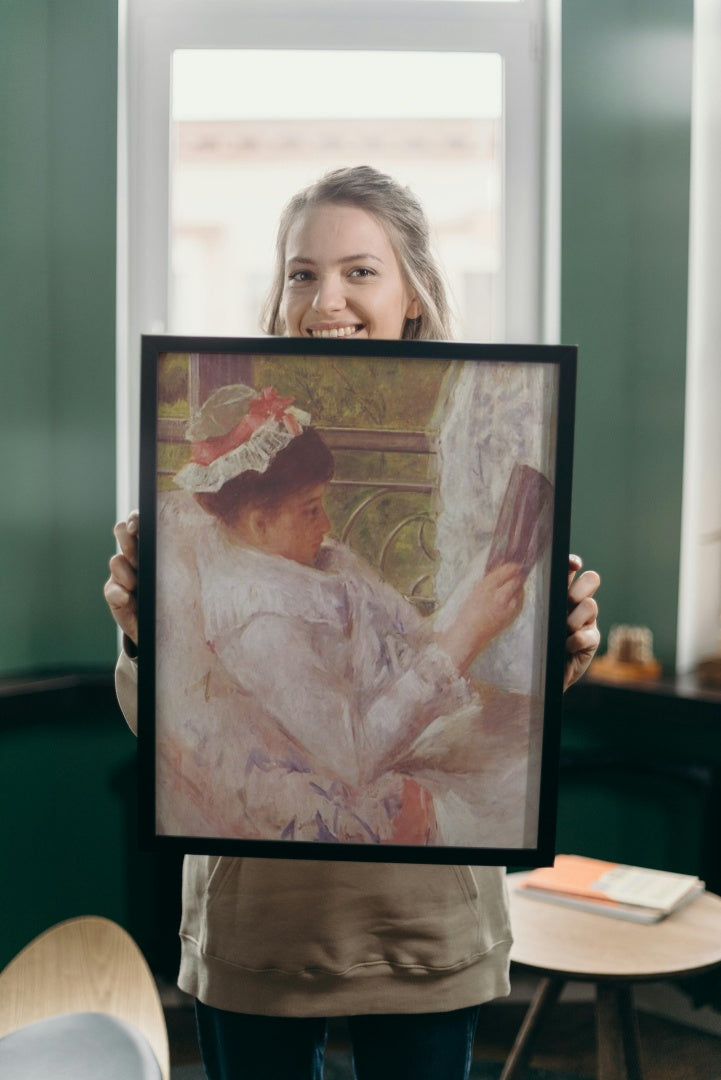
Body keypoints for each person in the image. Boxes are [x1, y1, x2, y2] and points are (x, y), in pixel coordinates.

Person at [105, 165, 601, 1080]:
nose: (325, 297)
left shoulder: (330, 558)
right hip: (264, 927)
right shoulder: (207, 562)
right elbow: (178, 732)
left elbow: (419, 673)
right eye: (301, 272)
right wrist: (143, 638)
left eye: (359, 271)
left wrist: (548, 646)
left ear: (413, 292)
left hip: (420, 919)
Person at [154, 381, 532, 848]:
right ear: (259, 522)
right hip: (406, 771)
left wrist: (473, 615)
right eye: (312, 509)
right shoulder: (263, 626)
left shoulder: (311, 559)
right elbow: (353, 756)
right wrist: (466, 638)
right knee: (519, 780)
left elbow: (409, 640)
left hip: (438, 729)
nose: (327, 524)